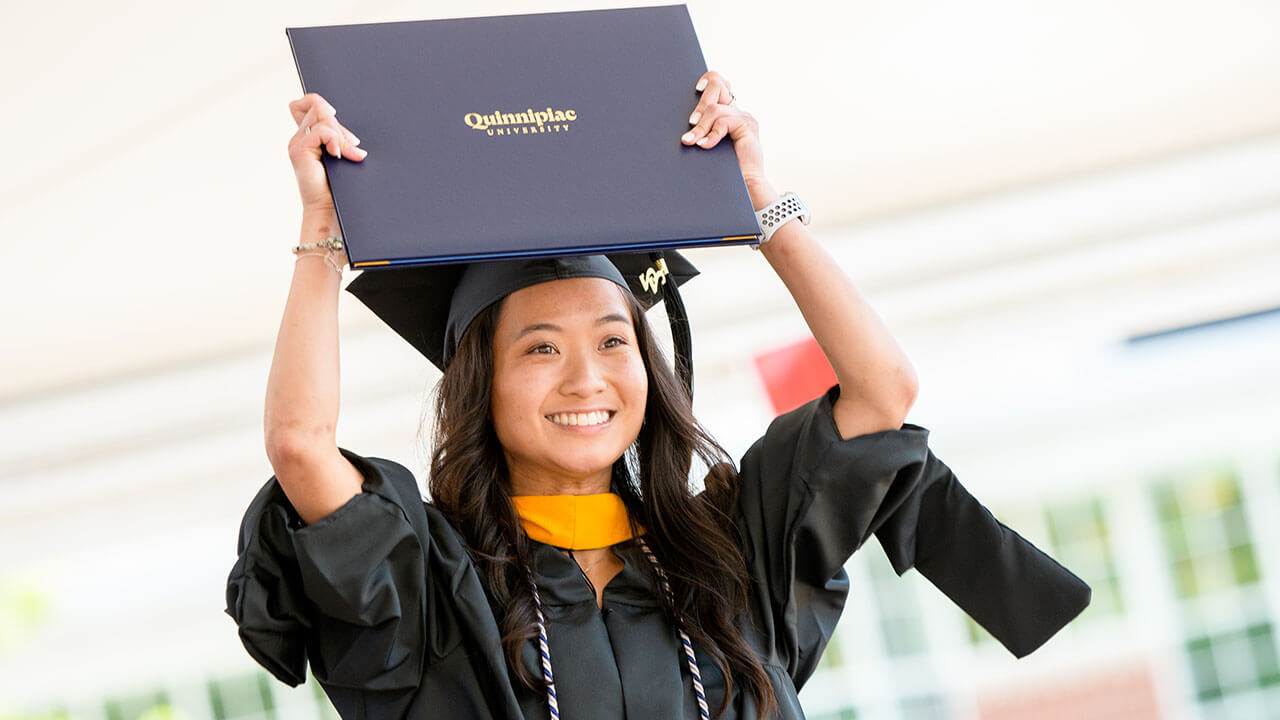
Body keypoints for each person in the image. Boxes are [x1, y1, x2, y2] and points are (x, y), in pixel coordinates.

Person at [225, 70, 1091, 719]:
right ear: (480, 389)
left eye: (613, 341)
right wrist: (323, 239)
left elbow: (881, 389)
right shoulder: (431, 585)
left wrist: (757, 204)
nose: (587, 378)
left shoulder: (728, 557)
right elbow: (302, 443)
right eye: (540, 349)